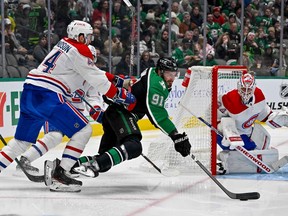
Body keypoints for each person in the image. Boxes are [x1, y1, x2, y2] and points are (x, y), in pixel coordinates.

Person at [0, 20, 136, 192]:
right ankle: (60, 175)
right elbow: (98, 80)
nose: (89, 40)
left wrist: (116, 79)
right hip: (48, 95)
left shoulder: (64, 44)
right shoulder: (79, 51)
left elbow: (94, 72)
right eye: (87, 37)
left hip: (30, 91)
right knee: (84, 130)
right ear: (80, 36)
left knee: (21, 142)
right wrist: (121, 95)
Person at [60, 57, 192, 178]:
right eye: (169, 74)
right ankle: (93, 166)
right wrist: (175, 135)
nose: (172, 78)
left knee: (104, 158)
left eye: (174, 75)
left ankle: (63, 167)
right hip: (121, 113)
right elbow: (157, 116)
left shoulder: (152, 72)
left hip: (114, 114)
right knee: (134, 147)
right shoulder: (157, 85)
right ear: (160, 71)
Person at [15, 45, 109, 175]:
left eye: (91, 59)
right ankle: (26, 159)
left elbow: (93, 100)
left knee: (81, 136)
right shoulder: (66, 70)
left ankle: (65, 168)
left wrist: (98, 111)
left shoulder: (92, 78)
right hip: (57, 109)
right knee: (55, 136)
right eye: (86, 58)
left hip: (75, 116)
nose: (88, 62)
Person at [216, 72, 288, 174]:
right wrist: (223, 131)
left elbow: (266, 116)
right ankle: (226, 163)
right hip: (226, 135)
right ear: (238, 87)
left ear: (253, 88)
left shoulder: (259, 97)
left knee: (264, 144)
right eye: (243, 89)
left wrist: (282, 119)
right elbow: (214, 116)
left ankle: (226, 156)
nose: (245, 92)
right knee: (249, 147)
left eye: (248, 89)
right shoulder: (227, 99)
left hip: (247, 132)